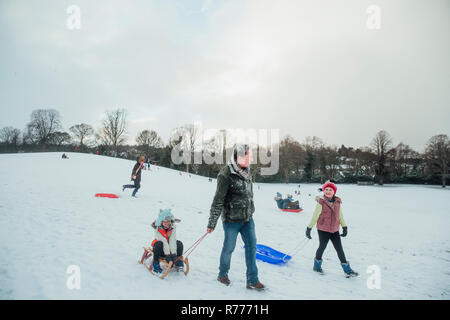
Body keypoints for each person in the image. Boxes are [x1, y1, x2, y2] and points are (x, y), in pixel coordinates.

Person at [207, 144, 265, 291]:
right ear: (239, 157)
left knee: (252, 247)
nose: (250, 158)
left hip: (247, 219)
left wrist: (250, 209)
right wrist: (212, 223)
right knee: (229, 248)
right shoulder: (225, 174)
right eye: (248, 156)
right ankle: (222, 274)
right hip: (231, 220)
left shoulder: (247, 171)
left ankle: (252, 280)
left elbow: (248, 194)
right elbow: (218, 200)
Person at [305, 182, 358, 277]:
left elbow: (340, 215)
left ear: (334, 192)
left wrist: (344, 227)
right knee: (322, 247)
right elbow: (315, 216)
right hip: (323, 229)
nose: (328, 191)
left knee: (339, 249)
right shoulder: (321, 203)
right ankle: (316, 267)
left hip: (334, 230)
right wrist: (309, 228)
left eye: (330, 190)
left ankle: (347, 270)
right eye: (326, 190)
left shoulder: (337, 202)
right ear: (324, 191)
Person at [150, 209, 184, 273]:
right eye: (165, 221)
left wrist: (173, 254)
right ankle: (156, 263)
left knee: (179, 243)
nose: (167, 223)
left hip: (171, 249)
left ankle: (178, 260)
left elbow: (172, 240)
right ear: (161, 221)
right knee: (158, 244)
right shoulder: (158, 229)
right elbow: (164, 241)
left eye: (168, 221)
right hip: (161, 250)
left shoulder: (172, 228)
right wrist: (168, 255)